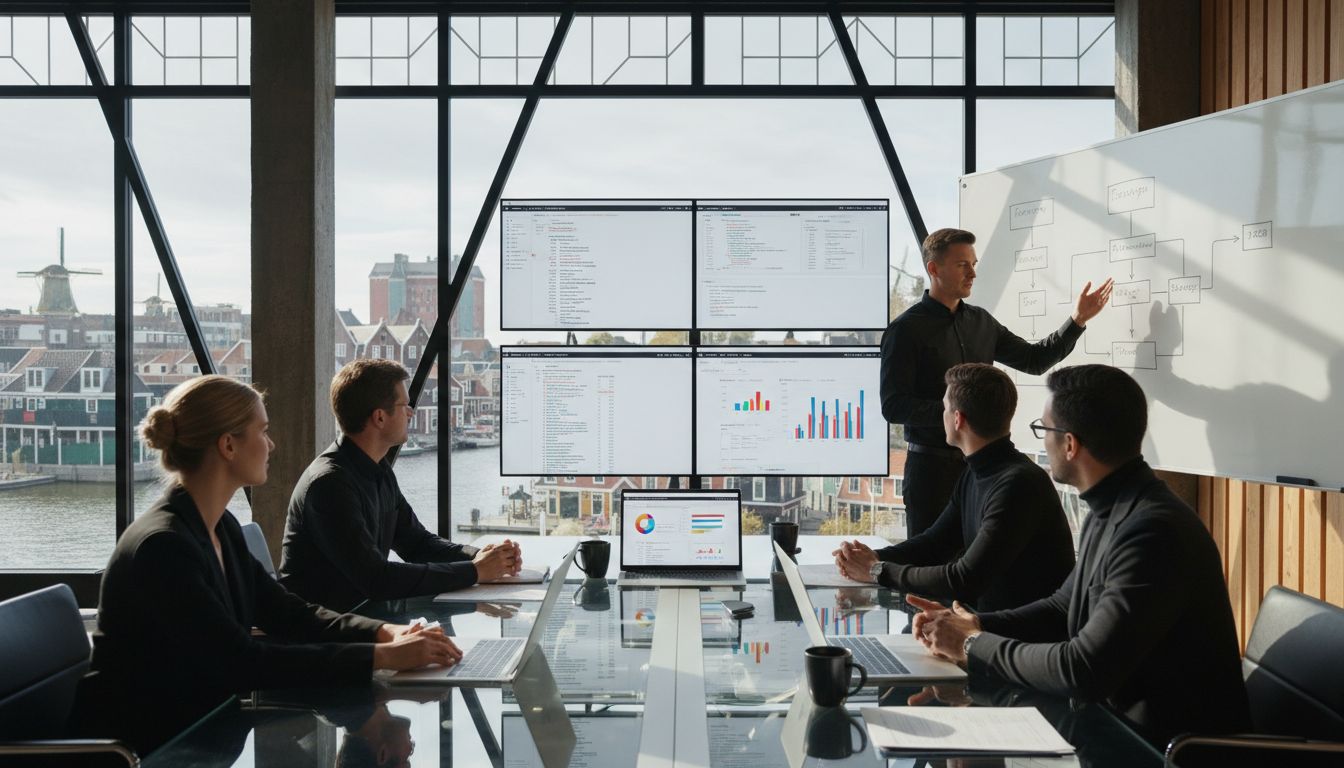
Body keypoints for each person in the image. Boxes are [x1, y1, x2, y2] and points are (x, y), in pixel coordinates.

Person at [79, 375, 462, 753]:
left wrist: (385, 634)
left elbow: (288, 613)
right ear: (228, 445)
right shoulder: (163, 547)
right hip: (152, 749)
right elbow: (240, 662)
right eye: (262, 432)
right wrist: (382, 656)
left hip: (206, 734)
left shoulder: (218, 527)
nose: (272, 444)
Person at [907, 365, 1251, 746]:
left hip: (1166, 750)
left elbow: (1083, 670)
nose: (1042, 443)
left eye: (1045, 430)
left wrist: (972, 645)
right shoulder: (1115, 510)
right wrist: (976, 624)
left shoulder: (1153, 532)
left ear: (1070, 445)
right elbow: (1060, 608)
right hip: (1118, 733)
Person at [883, 227, 1114, 538]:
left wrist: (1076, 321)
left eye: (974, 264)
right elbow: (894, 406)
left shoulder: (981, 322)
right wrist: (955, 415)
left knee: (980, 571)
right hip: (931, 471)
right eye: (962, 264)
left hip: (981, 470)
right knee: (929, 568)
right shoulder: (905, 330)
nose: (972, 273)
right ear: (934, 269)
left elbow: (1034, 360)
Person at [280, 359, 521, 612]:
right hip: (321, 635)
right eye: (404, 405)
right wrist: (474, 571)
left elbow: (417, 544)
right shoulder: (329, 485)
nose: (411, 412)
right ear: (380, 417)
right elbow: (377, 579)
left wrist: (482, 556)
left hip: (361, 619)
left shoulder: (378, 468)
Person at [833, 363, 1075, 612]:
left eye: (945, 408)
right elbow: (935, 543)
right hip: (990, 631)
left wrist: (876, 570)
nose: (943, 415)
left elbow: (965, 579)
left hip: (1020, 641)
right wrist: (869, 557)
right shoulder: (976, 471)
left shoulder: (1018, 484)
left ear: (958, 419)